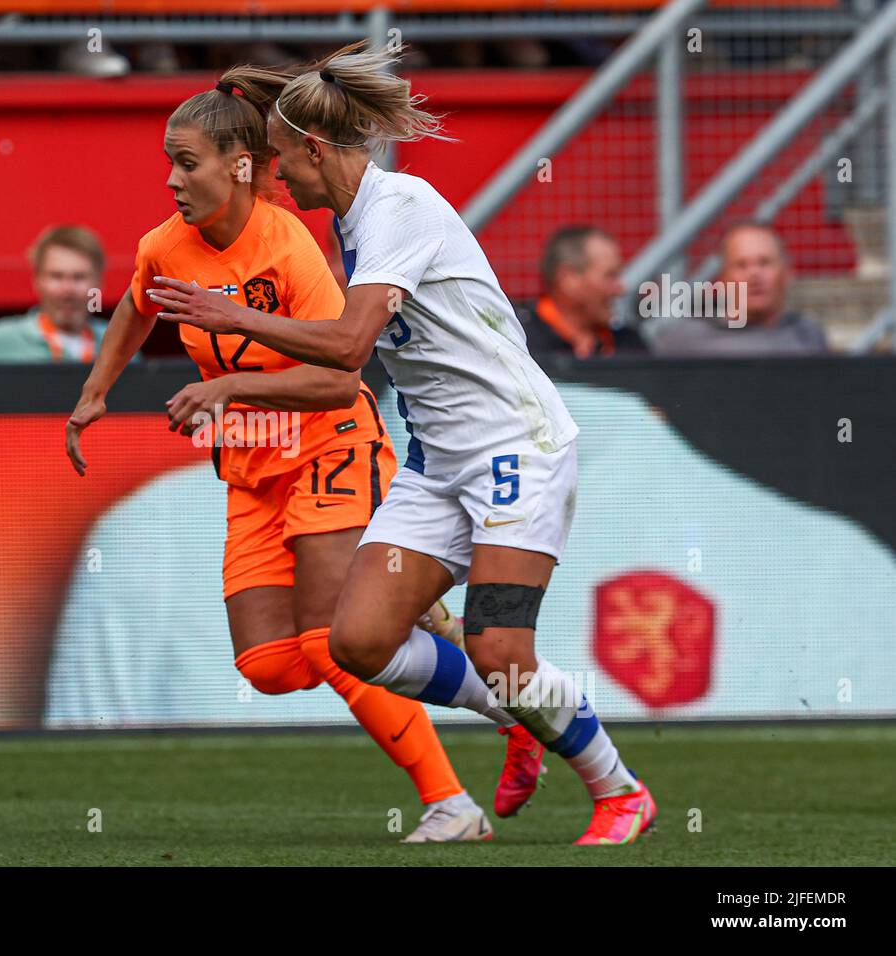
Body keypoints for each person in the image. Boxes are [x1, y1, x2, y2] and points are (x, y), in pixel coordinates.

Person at [149, 41, 657, 845]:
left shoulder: (400, 209)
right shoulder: (355, 219)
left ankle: (620, 790)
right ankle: (520, 718)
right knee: (357, 642)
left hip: (513, 449)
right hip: (437, 464)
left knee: (497, 646)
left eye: (281, 162)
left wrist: (234, 318)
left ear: (315, 151)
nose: (276, 180)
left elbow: (351, 349)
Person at [67, 65, 543, 843]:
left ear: (241, 166)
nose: (171, 180)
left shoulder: (287, 244)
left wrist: (227, 394)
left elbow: (337, 381)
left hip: (331, 447)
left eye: (187, 163)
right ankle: (501, 697)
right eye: (170, 162)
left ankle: (452, 807)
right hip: (253, 471)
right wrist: (95, 391)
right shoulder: (166, 246)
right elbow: (134, 304)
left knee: (332, 644)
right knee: (267, 665)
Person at [651, 221, 829, 356]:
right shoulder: (685, 340)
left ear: (787, 273)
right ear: (723, 278)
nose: (754, 275)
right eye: (741, 265)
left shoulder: (806, 333)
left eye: (764, 263)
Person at [0, 226, 114, 365]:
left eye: (79, 277)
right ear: (37, 280)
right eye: (56, 276)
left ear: (99, 282)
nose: (67, 290)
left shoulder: (118, 343)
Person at [515, 225, 648, 358]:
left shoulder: (629, 345)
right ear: (568, 279)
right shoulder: (517, 339)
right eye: (610, 276)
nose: (620, 289)